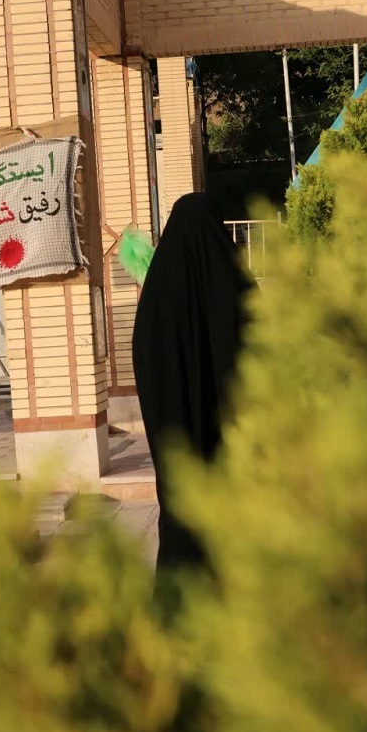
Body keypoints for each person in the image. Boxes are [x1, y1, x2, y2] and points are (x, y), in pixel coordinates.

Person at [132, 193, 252, 575]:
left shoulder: (155, 303)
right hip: (234, 458)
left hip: (177, 452)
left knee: (182, 527)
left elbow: (147, 367)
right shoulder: (238, 291)